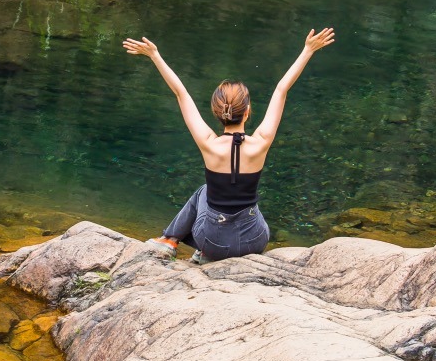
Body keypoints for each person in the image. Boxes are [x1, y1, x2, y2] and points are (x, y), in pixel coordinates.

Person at [122, 27, 336, 261]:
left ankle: (170, 240)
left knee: (205, 191)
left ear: (216, 113)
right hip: (255, 241)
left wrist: (155, 56)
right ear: (247, 112)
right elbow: (282, 89)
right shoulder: (261, 143)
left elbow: (180, 93)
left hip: (212, 242)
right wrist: (307, 50)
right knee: (249, 207)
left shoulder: (209, 144)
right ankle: (190, 245)